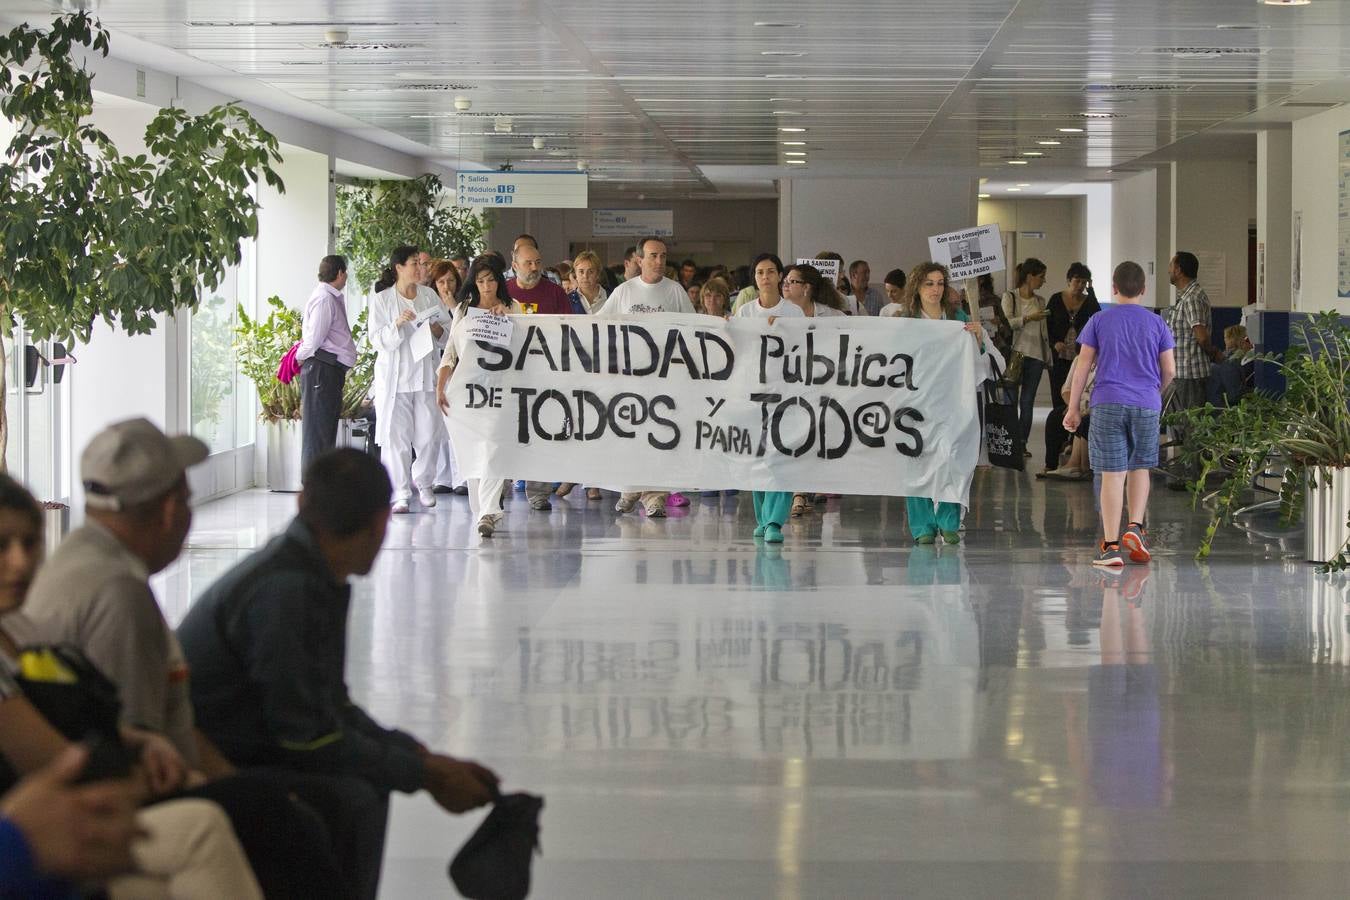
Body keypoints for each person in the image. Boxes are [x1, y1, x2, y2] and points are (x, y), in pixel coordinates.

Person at [21, 419, 350, 899]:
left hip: (135, 770)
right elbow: (138, 744)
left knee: (289, 800)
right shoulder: (117, 594)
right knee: (305, 815)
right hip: (120, 793)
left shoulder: (83, 558)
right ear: (172, 509)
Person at [177, 450, 500, 900]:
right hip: (216, 758)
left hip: (246, 739)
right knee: (354, 796)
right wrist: (423, 773)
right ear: (381, 523)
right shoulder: (289, 590)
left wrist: (415, 756)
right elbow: (306, 736)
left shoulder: (305, 570)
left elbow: (330, 705)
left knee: (366, 783)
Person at [0, 472, 266, 900]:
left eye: (30, 543)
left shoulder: (21, 625)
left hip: (69, 818)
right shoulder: (115, 592)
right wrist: (152, 773)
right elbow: (53, 763)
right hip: (46, 828)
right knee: (208, 826)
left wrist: (140, 741)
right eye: (2, 546)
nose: (19, 562)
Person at [1064, 261, 1176, 568]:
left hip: (1108, 402)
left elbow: (1082, 367)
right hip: (1146, 403)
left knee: (1112, 474)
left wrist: (1073, 407)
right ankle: (1135, 528)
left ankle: (1111, 547)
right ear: (1143, 289)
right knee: (1141, 468)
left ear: (1114, 287)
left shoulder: (1099, 320)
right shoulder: (1157, 323)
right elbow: (1170, 370)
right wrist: (1154, 391)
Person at [596, 236, 696, 517]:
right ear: (639, 260)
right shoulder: (624, 292)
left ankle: (655, 497)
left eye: (663, 256)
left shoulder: (675, 291)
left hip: (665, 379)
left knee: (660, 437)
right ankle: (629, 488)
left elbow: (693, 328)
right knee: (631, 435)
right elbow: (599, 325)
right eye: (653, 256)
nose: (659, 261)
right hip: (630, 379)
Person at [436, 261, 525, 538]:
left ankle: (489, 511)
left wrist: (510, 319)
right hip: (468, 391)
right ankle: (482, 510)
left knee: (493, 447)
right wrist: (441, 386)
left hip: (502, 390)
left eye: (491, 280)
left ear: (499, 281)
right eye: (481, 281)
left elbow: (529, 346)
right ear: (474, 283)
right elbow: (451, 352)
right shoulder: (464, 311)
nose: (486, 286)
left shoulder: (515, 308)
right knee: (475, 453)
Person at [900, 262, 986, 544]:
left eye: (940, 283)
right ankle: (922, 525)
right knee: (916, 460)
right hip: (915, 402)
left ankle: (949, 519)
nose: (935, 289)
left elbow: (978, 356)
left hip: (951, 401)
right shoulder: (904, 320)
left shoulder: (956, 317)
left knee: (952, 458)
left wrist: (978, 337)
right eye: (929, 283)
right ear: (917, 287)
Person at [370, 245, 446, 514]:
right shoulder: (382, 300)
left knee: (428, 435)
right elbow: (376, 340)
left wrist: (438, 330)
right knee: (397, 438)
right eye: (414, 263)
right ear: (399, 267)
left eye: (421, 263)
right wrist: (398, 324)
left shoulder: (428, 296)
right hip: (396, 379)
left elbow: (447, 332)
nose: (420, 268)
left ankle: (424, 482)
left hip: (425, 375)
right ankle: (400, 491)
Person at [297, 255, 357, 471]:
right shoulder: (324, 299)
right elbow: (314, 340)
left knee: (325, 428)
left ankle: (320, 482)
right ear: (340, 273)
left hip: (328, 370)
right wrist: (297, 356)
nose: (346, 277)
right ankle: (314, 485)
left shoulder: (329, 297)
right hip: (322, 369)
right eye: (346, 273)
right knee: (318, 431)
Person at [1163, 250, 1218, 489]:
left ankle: (1194, 478)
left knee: (1192, 425)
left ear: (1179, 270)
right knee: (1184, 425)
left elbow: (1201, 336)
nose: (1169, 270)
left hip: (1191, 372)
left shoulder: (1193, 297)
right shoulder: (1184, 297)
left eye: (1171, 265)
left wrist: (1215, 354)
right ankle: (1188, 471)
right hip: (1181, 372)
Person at [427, 259, 468, 496]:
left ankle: (461, 477)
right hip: (433, 366)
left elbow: (461, 332)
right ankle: (442, 477)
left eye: (450, 280)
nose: (446, 286)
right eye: (441, 281)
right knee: (438, 426)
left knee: (456, 421)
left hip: (456, 367)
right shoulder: (429, 303)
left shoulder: (464, 303)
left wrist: (453, 305)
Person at [1001, 258, 1050, 453]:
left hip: (1036, 355)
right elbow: (1009, 322)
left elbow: (1044, 333)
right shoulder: (1010, 297)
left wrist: (1048, 357)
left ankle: (1022, 443)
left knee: (1027, 401)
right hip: (1015, 354)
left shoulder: (1040, 301)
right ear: (1029, 277)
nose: (1043, 281)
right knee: (1010, 400)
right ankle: (1009, 441)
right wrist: (1029, 318)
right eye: (1041, 277)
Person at [1046, 262, 1101, 414]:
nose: (1080, 285)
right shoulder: (1056, 299)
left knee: (1078, 388)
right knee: (1059, 390)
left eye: (1084, 282)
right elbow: (1046, 325)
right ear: (1069, 280)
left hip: (1079, 352)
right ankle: (1060, 425)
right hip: (1060, 353)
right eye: (1077, 281)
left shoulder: (1088, 300)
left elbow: (1098, 316)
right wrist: (1053, 342)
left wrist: (1091, 291)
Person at [506, 242, 570, 315]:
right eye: (529, 263)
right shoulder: (503, 292)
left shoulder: (557, 293)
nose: (534, 268)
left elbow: (568, 324)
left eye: (538, 262)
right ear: (515, 266)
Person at [735, 253, 796, 320]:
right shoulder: (744, 312)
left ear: (780, 276)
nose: (765, 277)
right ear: (755, 277)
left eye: (771, 272)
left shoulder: (794, 312)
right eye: (760, 272)